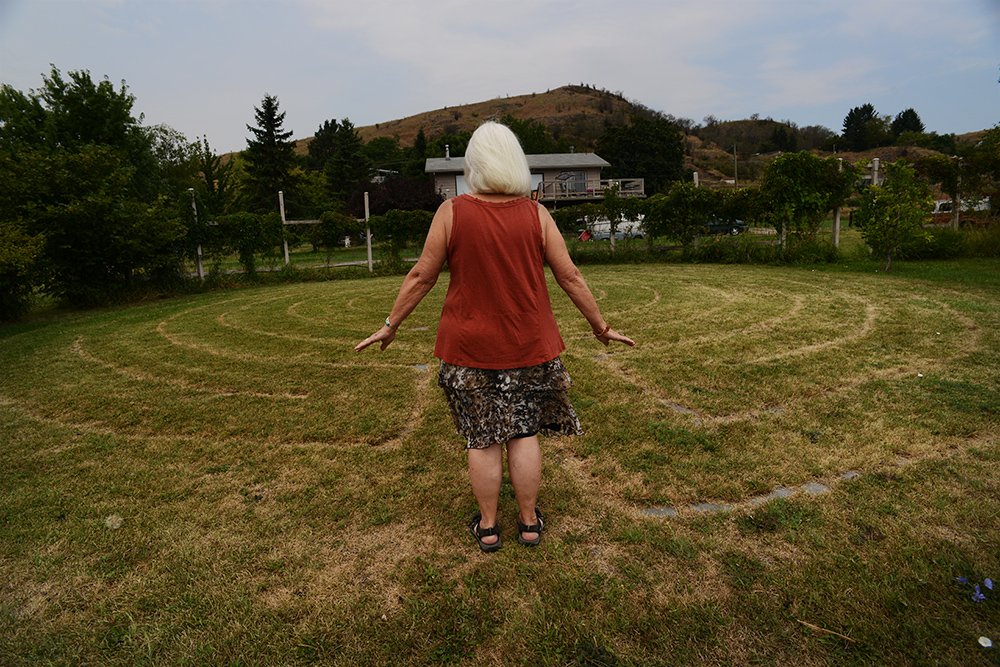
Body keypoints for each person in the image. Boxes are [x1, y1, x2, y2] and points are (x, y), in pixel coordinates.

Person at [354, 122, 634, 552]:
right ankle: (528, 523)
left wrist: (391, 325)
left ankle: (488, 527)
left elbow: (421, 275)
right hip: (531, 346)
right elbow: (570, 276)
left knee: (483, 439)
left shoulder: (452, 212)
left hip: (468, 350)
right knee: (524, 433)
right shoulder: (537, 215)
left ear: (474, 164)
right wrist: (601, 328)